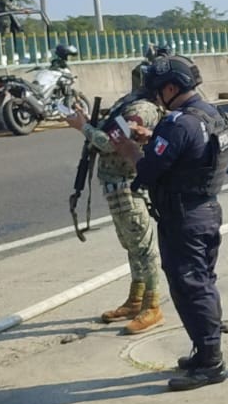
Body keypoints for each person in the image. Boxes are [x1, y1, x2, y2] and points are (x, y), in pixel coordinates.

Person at [121, 54, 228, 391]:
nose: (157, 97)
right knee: (202, 281)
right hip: (206, 210)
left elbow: (147, 171)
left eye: (158, 90)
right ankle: (204, 351)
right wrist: (153, 137)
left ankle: (211, 362)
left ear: (171, 88)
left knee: (191, 287)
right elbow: (193, 153)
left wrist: (129, 148)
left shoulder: (177, 124)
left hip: (183, 217)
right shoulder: (213, 115)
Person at [64, 59, 166, 334]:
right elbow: (111, 131)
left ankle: (152, 306)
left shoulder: (142, 109)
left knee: (143, 247)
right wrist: (89, 121)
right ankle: (136, 299)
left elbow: (111, 142)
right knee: (131, 245)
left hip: (127, 186)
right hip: (117, 186)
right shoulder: (131, 103)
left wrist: (82, 127)